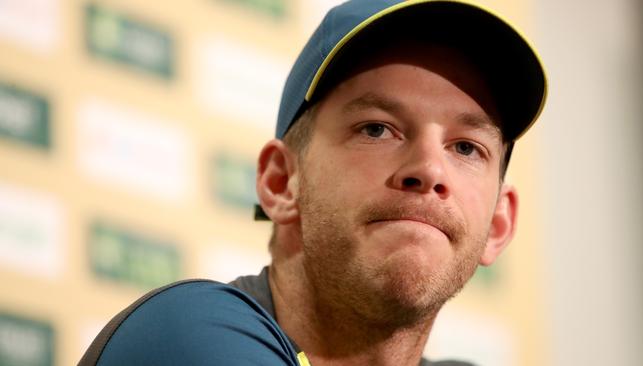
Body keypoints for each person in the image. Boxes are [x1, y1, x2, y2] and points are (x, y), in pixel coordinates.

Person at [79, 0, 546, 365]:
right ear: (282, 182)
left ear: (499, 224)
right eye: (377, 128)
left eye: (466, 147)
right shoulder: (187, 333)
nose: (429, 169)